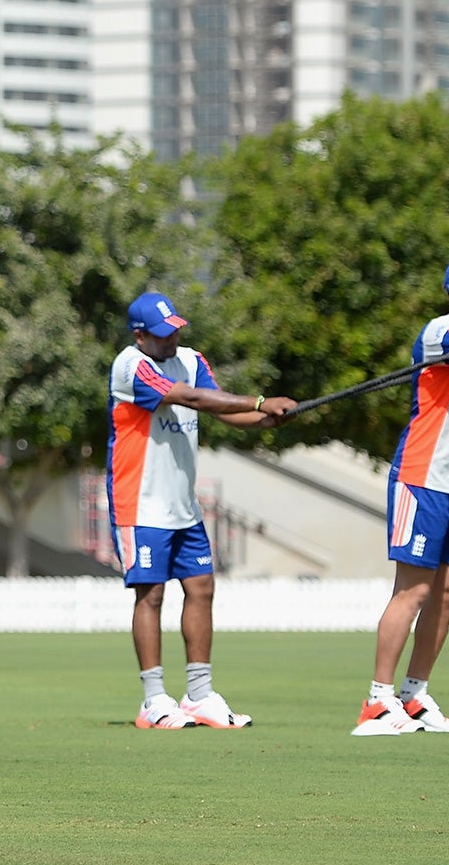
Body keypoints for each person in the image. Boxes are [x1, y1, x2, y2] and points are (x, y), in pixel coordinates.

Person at [106, 290, 295, 731]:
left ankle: (199, 695)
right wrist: (259, 401)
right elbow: (190, 400)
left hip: (181, 505)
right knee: (151, 595)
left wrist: (266, 419)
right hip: (140, 502)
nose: (171, 340)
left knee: (201, 587)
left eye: (175, 330)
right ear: (139, 335)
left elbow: (220, 405)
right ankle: (154, 700)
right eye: (161, 334)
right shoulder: (131, 366)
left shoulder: (191, 359)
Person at [353, 254, 449, 736]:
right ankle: (377, 700)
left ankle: (413, 695)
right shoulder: (443, 332)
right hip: (422, 479)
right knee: (412, 590)